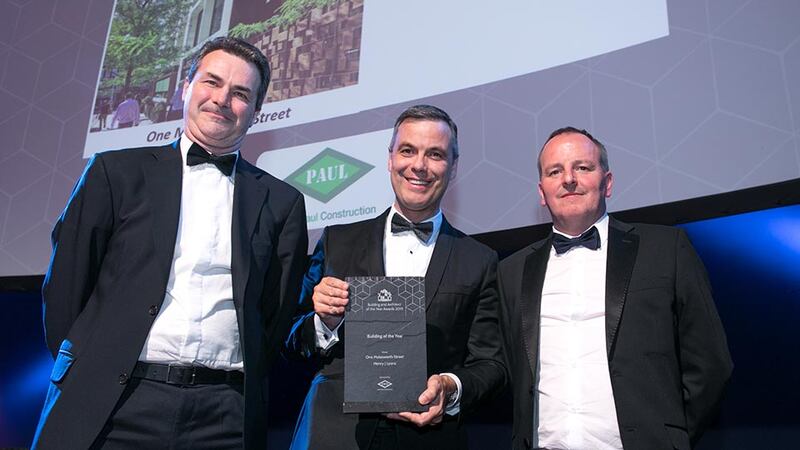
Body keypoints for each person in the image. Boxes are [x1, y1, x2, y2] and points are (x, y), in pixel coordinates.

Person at [32, 36, 308, 449]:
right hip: (114, 403)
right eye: (211, 83)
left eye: (239, 93)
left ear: (255, 111)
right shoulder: (115, 173)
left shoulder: (283, 202)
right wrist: (91, 366)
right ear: (186, 88)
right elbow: (67, 286)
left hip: (224, 414)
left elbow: (275, 313)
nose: (220, 99)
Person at [498, 127, 733, 450]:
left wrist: (668, 438)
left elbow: (710, 363)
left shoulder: (666, 249)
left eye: (582, 167)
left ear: (607, 182)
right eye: (556, 171)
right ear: (542, 192)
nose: (569, 179)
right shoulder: (512, 271)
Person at [286, 105, 506, 449]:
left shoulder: (479, 260)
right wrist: (323, 322)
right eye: (408, 150)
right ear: (390, 159)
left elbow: (491, 364)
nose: (419, 165)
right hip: (333, 434)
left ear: (453, 167)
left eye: (435, 154)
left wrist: (449, 387)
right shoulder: (336, 240)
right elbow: (287, 338)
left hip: (430, 439)